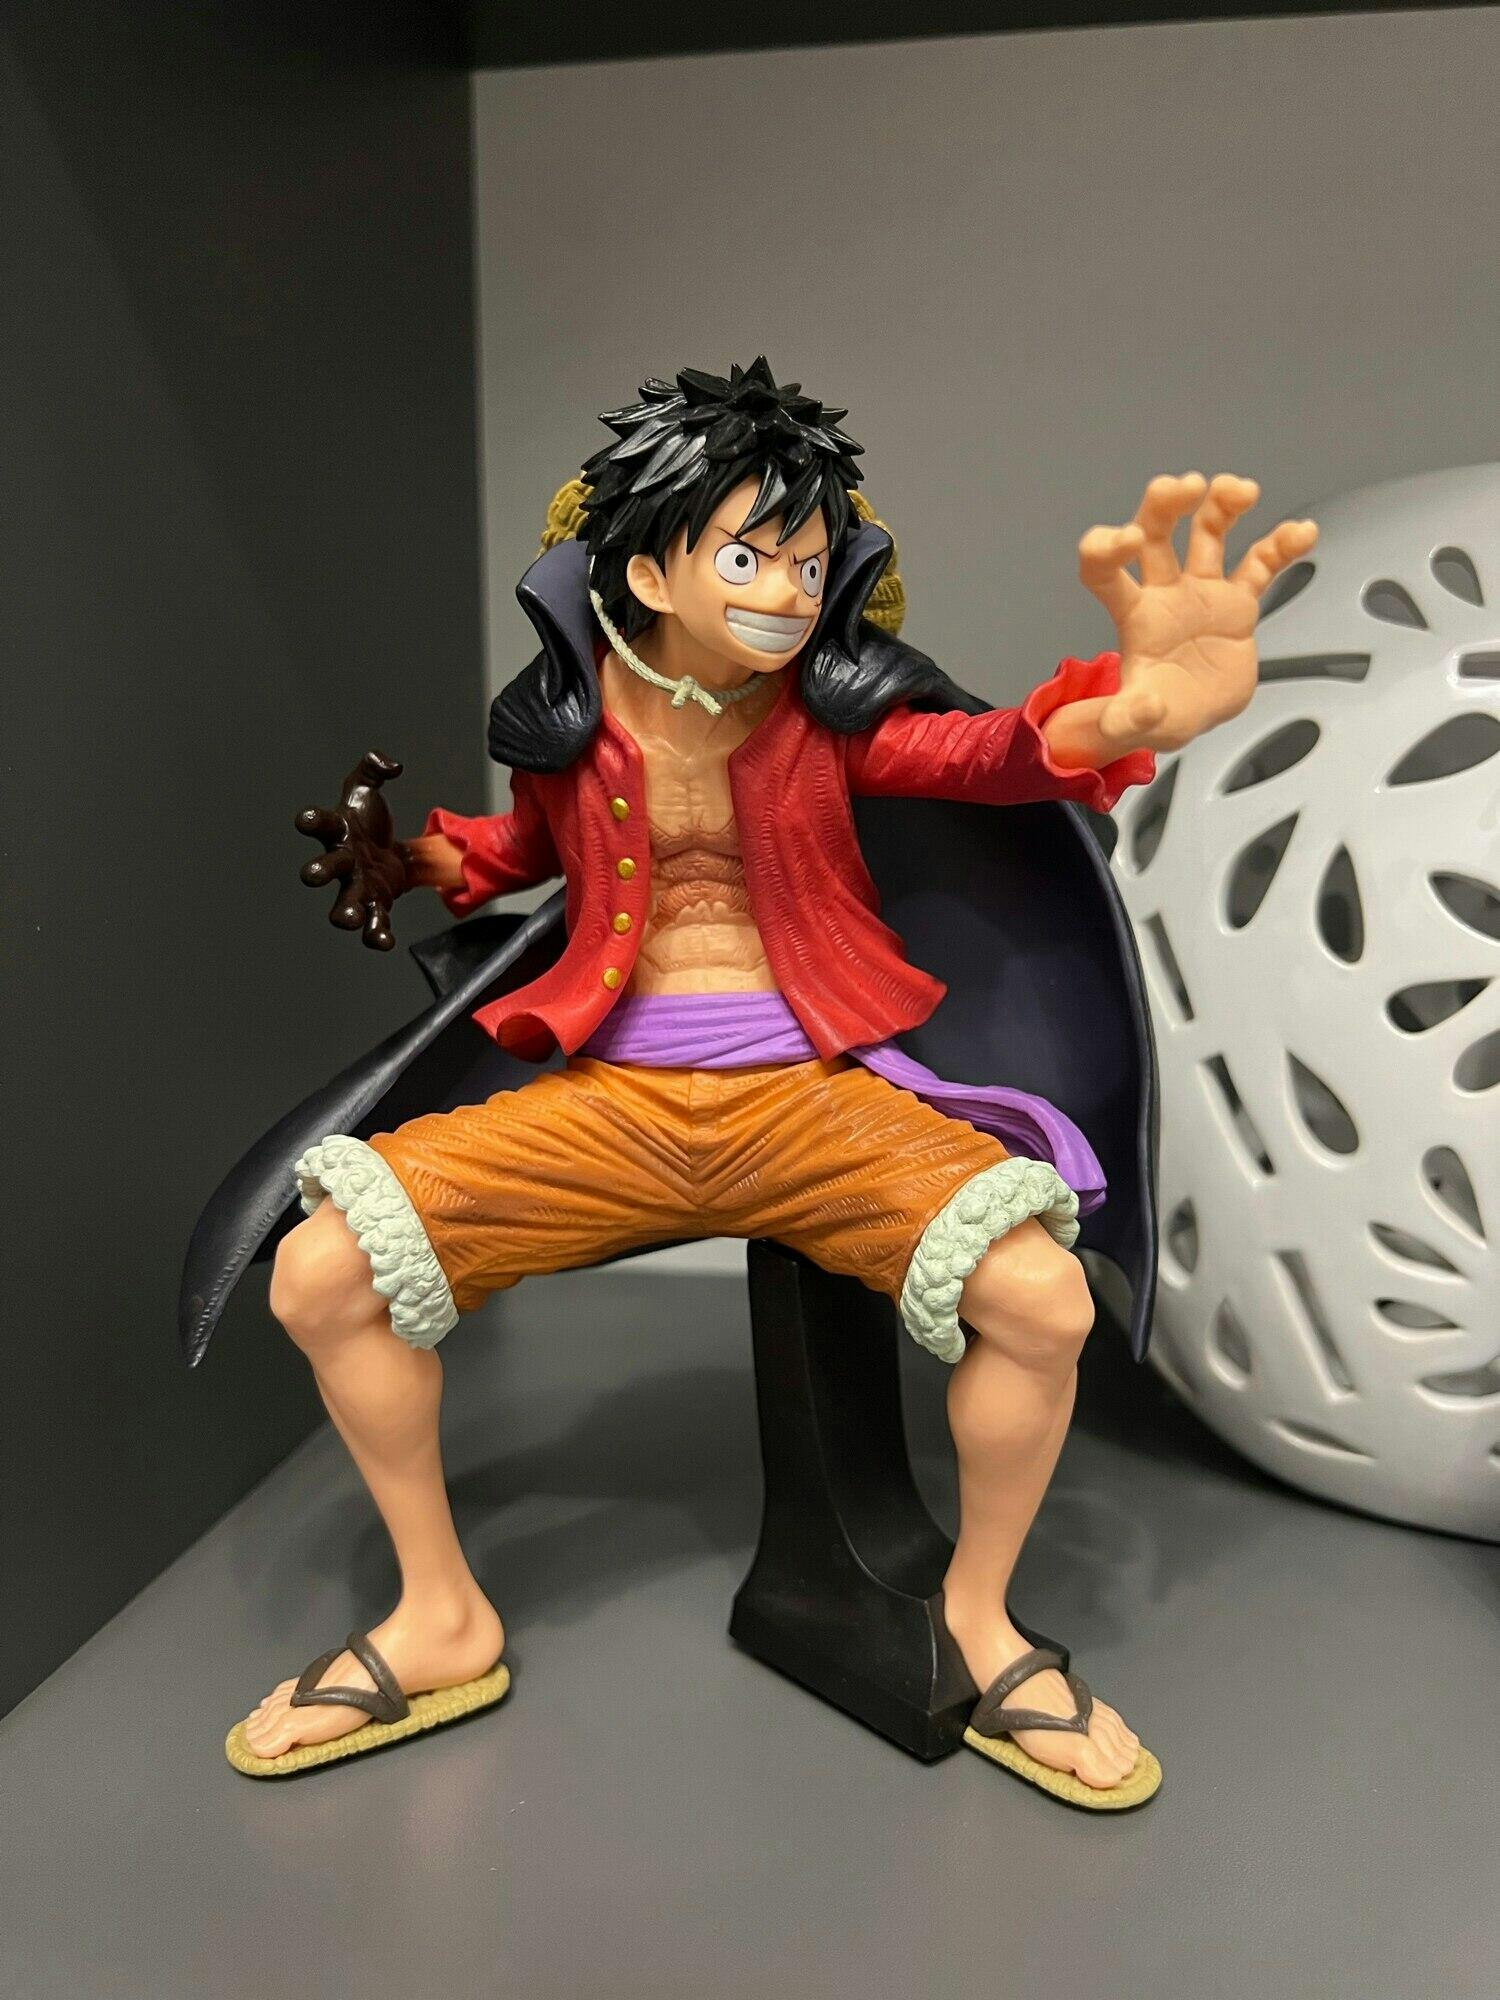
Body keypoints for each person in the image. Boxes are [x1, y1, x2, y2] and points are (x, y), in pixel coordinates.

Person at [227, 359, 1316, 1803]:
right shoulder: (578, 723)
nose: (788, 593)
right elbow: (528, 852)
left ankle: (978, 1623)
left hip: (810, 1105)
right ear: (646, 566)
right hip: (614, 1114)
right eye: (748, 557)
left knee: (1043, 1302)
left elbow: (991, 756)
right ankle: (440, 1616)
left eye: (808, 563)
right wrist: (419, 859)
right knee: (321, 1274)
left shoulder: (828, 721)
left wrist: (1133, 709)